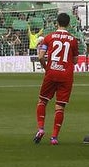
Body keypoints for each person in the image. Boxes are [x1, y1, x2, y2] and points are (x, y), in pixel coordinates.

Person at [34, 12, 79, 145]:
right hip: (66, 75)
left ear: (56, 23)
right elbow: (75, 61)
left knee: (42, 101)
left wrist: (47, 68)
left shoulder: (49, 37)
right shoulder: (73, 40)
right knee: (60, 106)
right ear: (68, 24)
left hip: (52, 72)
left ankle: (41, 129)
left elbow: (40, 57)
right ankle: (54, 137)